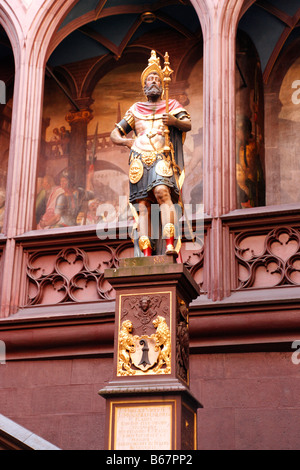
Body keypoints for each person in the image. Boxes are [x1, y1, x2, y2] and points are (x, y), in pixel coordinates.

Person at [110, 50, 191, 256]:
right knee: (143, 205)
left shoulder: (170, 105)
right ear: (144, 86)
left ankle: (170, 244)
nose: (154, 81)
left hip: (160, 156)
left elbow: (187, 124)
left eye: (156, 78)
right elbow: (114, 134)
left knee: (163, 193)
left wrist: (173, 121)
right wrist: (127, 141)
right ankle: (146, 251)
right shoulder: (135, 109)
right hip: (138, 157)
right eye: (150, 79)